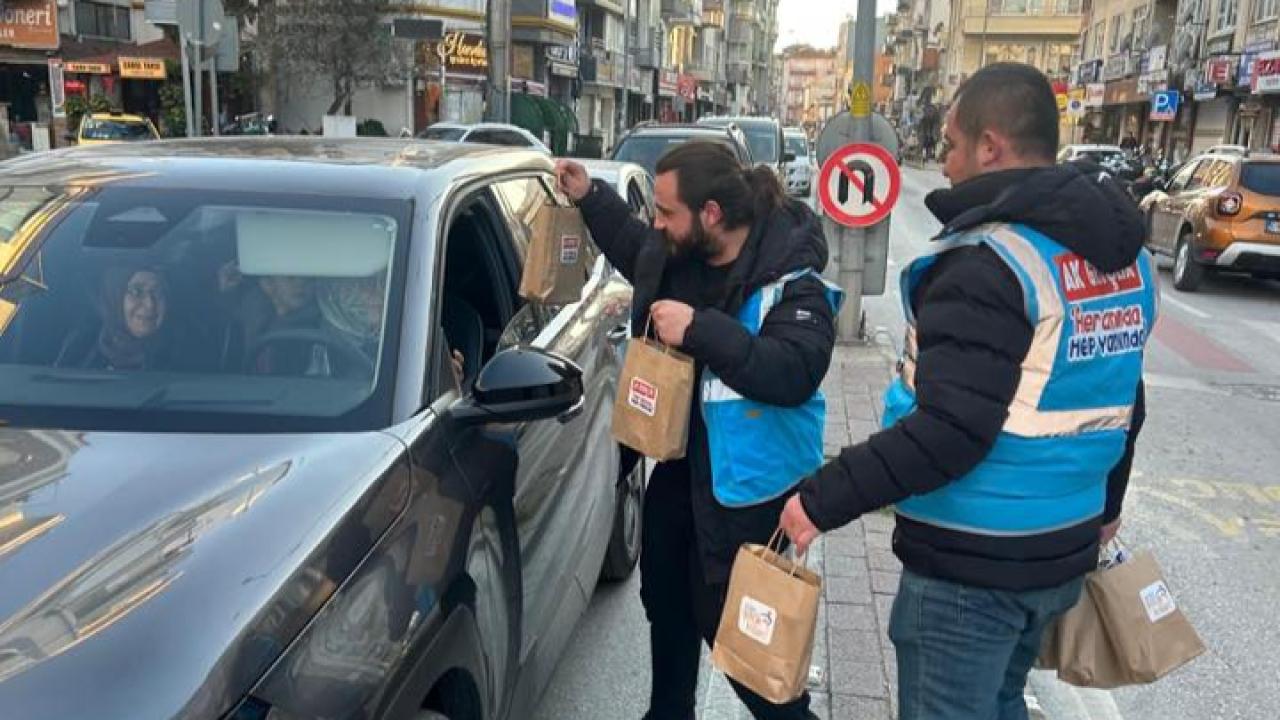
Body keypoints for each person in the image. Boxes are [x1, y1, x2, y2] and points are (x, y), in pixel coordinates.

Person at [778, 63, 1156, 720]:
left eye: (951, 145)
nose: (946, 164)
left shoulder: (990, 264)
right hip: (1058, 550)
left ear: (991, 147)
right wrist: (1106, 509)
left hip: (974, 564)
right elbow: (1125, 399)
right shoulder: (1122, 258)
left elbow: (950, 431)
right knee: (1003, 704)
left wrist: (820, 499)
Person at [556, 144, 841, 720]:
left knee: (748, 657)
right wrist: (590, 195)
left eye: (665, 212)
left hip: (750, 494)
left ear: (710, 213)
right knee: (667, 604)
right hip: (684, 472)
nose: (656, 224)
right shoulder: (681, 255)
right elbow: (635, 245)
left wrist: (699, 329)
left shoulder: (794, 280)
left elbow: (792, 370)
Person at [58, 264, 176, 371]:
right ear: (115, 298)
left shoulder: (183, 355)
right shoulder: (83, 346)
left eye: (158, 292)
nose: (150, 304)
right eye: (136, 291)